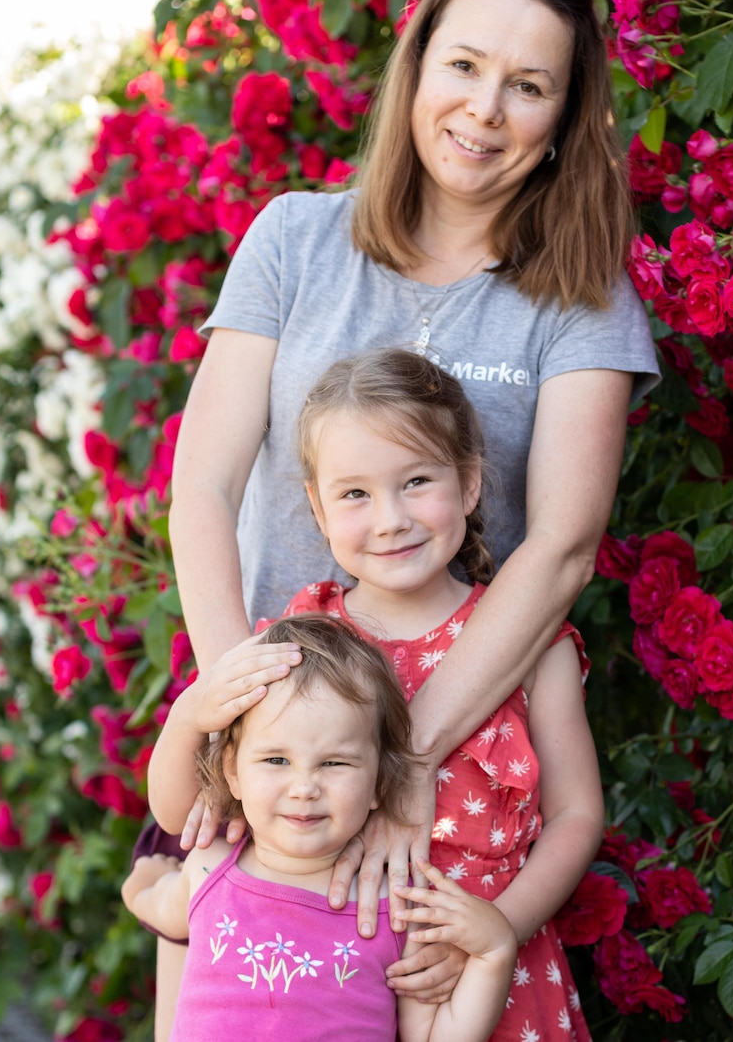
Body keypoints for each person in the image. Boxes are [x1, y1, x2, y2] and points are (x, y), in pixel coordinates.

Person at [151, 0, 660, 1037]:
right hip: (273, 758)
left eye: (529, 86)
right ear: (417, 66)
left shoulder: (580, 295)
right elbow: (202, 485)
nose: (484, 110)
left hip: (449, 758)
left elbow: (564, 544)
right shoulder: (295, 239)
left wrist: (402, 762)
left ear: (566, 114)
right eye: (464, 66)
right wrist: (237, 715)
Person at [148, 348, 604, 1039]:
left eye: (417, 480)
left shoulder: (529, 645)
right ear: (317, 507)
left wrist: (494, 932)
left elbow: (576, 815)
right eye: (355, 493)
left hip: (489, 975)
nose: (390, 518)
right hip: (327, 987)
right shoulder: (299, 644)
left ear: (470, 482)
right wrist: (190, 717)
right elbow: (194, 810)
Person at [124, 614, 517, 1042]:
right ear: (232, 771)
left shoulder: (397, 909)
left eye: (334, 763)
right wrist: (143, 883)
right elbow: (159, 906)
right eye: (276, 760)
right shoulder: (206, 870)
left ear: (379, 783)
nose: (305, 787)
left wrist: (495, 953)